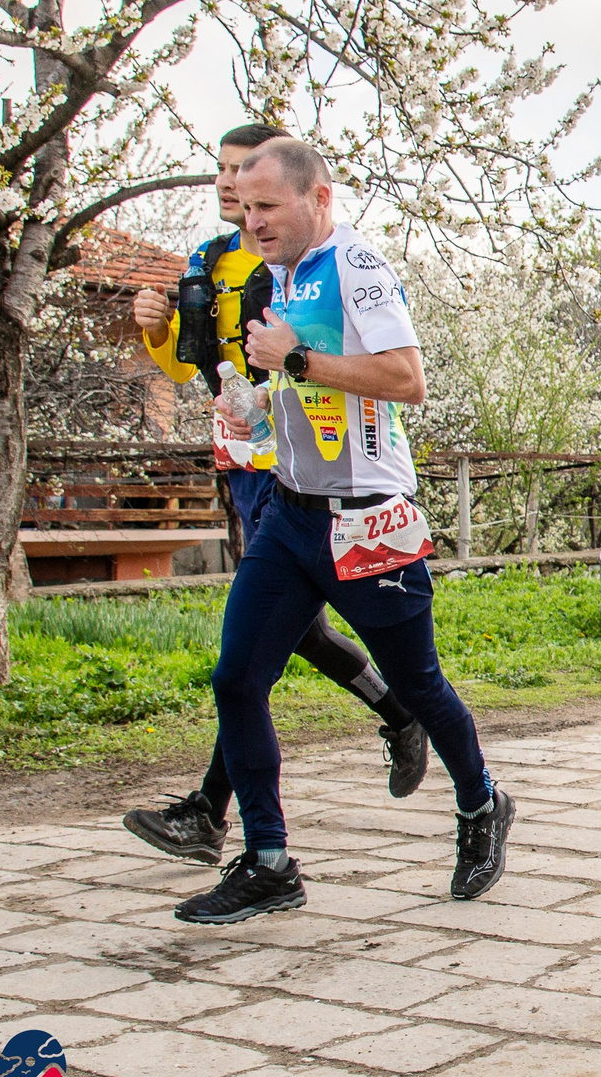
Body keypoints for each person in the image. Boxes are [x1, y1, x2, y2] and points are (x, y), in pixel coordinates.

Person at [175, 139, 509, 923]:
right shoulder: (280, 276)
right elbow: (300, 384)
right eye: (246, 206)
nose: (252, 221)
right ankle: (268, 860)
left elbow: (405, 380)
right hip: (293, 514)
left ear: (318, 199)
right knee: (236, 680)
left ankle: (481, 805)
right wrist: (258, 405)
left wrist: (296, 363)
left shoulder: (357, 268)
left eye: (268, 207)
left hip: (368, 520)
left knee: (418, 685)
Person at [122, 125, 429, 868]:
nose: (231, 189)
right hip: (244, 458)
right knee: (280, 634)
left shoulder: (306, 259)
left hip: (309, 464)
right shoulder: (210, 260)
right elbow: (194, 362)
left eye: (246, 176)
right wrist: (157, 333)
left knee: (269, 639)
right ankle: (395, 713)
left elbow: (371, 365)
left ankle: (219, 812)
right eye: (222, 174)